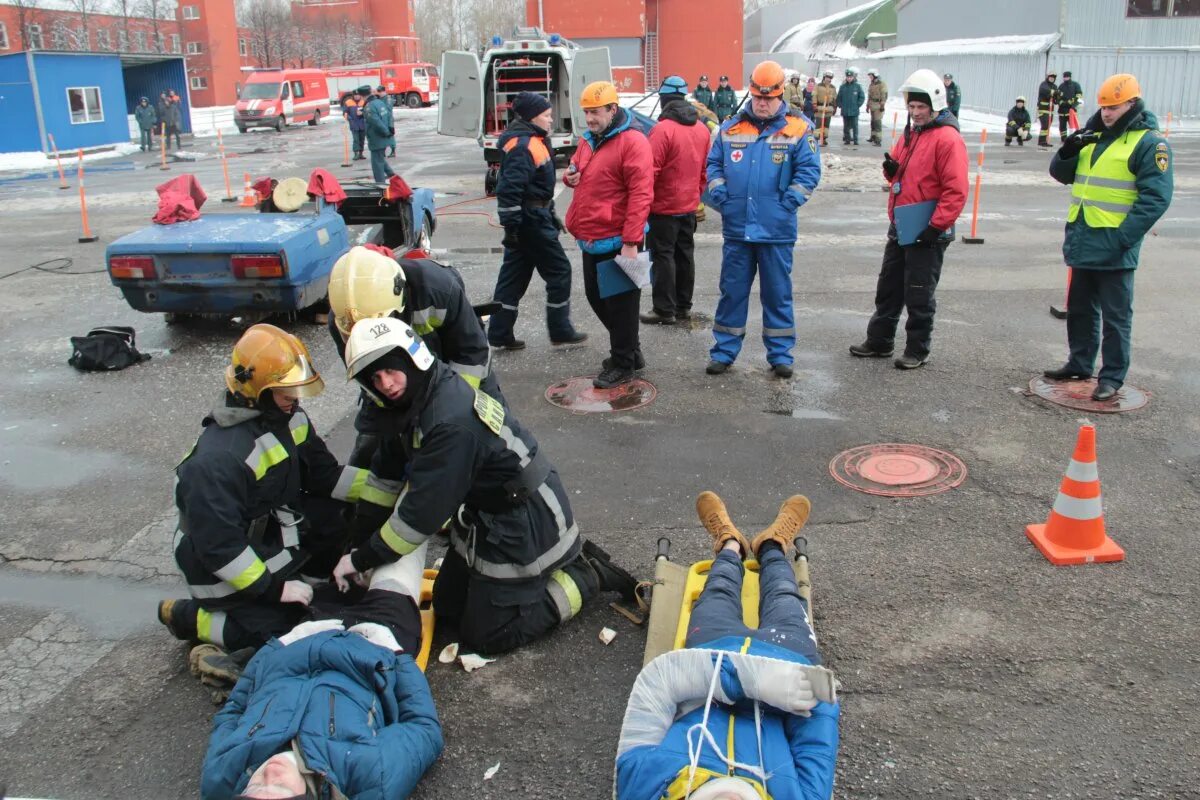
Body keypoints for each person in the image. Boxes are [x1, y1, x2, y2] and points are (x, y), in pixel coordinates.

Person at [333, 317, 639, 655]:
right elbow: (384, 480)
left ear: (411, 358)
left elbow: (419, 517)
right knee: (447, 609)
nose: (387, 384)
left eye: (391, 370)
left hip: (525, 518)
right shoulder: (408, 401)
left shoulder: (448, 420)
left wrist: (361, 560)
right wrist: (356, 545)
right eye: (375, 378)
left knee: (486, 637)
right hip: (487, 512)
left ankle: (588, 576)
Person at [156, 324, 396, 653]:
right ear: (259, 390)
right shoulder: (218, 460)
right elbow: (219, 547)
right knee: (281, 635)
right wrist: (274, 589)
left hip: (268, 536)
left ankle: (307, 586)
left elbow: (325, 476)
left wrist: (395, 493)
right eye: (287, 391)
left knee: (340, 515)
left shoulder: (285, 415)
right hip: (220, 567)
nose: (295, 399)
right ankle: (188, 617)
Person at [614, 491, 838, 800]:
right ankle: (772, 545)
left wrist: (748, 681)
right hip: (787, 657)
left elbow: (657, 683)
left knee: (718, 590)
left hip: (712, 652)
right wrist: (794, 687)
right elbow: (823, 696)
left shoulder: (642, 788)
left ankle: (729, 543)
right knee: (784, 593)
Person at [200, 553, 443, 799]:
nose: (269, 775)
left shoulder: (223, 776)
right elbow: (423, 730)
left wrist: (278, 646)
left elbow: (234, 709)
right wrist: (397, 654)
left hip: (306, 635)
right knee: (397, 557)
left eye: (254, 789)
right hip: (373, 642)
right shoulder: (368, 778)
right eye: (280, 788)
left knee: (343, 559)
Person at [1045, 73, 1173, 401]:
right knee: (1080, 309)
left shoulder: (1148, 142)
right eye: (1103, 107)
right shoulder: (1093, 135)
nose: (1107, 113)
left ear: (1132, 104)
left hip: (1115, 244)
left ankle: (1112, 376)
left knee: (1116, 316)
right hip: (1084, 237)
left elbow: (1155, 198)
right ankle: (1080, 362)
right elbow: (1061, 175)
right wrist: (1067, 150)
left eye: (1114, 107)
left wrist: (1122, 239)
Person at [327, 245, 501, 466]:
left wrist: (452, 409)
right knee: (371, 455)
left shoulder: (436, 289)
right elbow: (368, 380)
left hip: (452, 369)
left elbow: (471, 354)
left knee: (490, 442)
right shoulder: (343, 319)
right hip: (392, 382)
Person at [705, 60, 822, 379]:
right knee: (732, 292)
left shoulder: (798, 129)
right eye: (757, 96)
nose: (762, 103)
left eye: (768, 98)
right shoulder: (730, 129)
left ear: (780, 95)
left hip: (776, 231)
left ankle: (781, 354)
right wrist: (721, 197)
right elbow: (713, 165)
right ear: (751, 93)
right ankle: (724, 351)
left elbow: (810, 171)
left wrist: (789, 203)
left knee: (777, 294)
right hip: (738, 230)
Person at [849, 68, 968, 370]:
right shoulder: (911, 133)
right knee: (888, 287)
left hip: (928, 229)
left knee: (919, 293)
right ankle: (880, 340)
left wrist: (936, 227)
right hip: (903, 224)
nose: (915, 113)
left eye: (921, 107)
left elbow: (955, 190)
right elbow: (901, 170)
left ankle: (918, 349)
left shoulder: (947, 139)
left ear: (935, 105)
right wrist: (892, 170)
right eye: (912, 107)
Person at [563, 80, 654, 389]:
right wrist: (570, 175)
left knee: (621, 304)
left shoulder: (633, 142)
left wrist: (630, 242)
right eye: (586, 112)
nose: (590, 119)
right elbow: (577, 167)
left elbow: (641, 195)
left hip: (620, 239)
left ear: (613, 109)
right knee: (595, 296)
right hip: (591, 236)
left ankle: (623, 362)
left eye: (596, 112)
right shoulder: (589, 140)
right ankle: (629, 350)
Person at [487, 91, 587, 350]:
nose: (551, 120)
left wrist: (548, 214)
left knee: (513, 278)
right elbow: (509, 189)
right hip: (530, 221)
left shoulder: (530, 140)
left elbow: (530, 188)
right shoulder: (524, 145)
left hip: (530, 218)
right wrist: (512, 226)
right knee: (559, 271)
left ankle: (499, 333)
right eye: (546, 115)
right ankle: (560, 329)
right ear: (532, 117)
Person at [641, 76, 713, 326]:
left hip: (663, 207)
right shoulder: (702, 129)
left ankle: (663, 309)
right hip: (689, 206)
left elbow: (650, 171)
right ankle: (683, 307)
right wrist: (694, 196)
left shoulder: (662, 130)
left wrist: (643, 204)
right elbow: (705, 170)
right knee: (685, 256)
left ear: (663, 100)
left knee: (663, 256)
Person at [365, 86, 397, 183]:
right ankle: (392, 175)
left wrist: (387, 132)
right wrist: (390, 128)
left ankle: (380, 185)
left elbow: (376, 122)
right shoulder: (380, 102)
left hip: (377, 138)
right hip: (384, 135)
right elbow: (389, 115)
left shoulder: (370, 106)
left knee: (377, 164)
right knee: (380, 159)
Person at [837, 66, 865, 145]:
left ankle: (855, 140)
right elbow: (839, 97)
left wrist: (857, 105)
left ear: (853, 77)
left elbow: (862, 97)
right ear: (846, 77)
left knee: (855, 126)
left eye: (850, 77)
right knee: (846, 127)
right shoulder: (842, 87)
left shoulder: (857, 86)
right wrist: (840, 105)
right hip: (845, 110)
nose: (849, 78)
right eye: (848, 77)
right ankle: (847, 139)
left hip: (854, 111)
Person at [813, 70, 837, 146]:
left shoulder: (833, 87)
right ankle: (816, 139)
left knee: (826, 125)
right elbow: (814, 95)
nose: (828, 79)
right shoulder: (818, 85)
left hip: (829, 108)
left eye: (830, 78)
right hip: (820, 107)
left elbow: (834, 98)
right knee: (818, 125)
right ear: (824, 77)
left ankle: (824, 139)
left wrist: (835, 107)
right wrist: (814, 105)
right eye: (827, 77)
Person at [343, 87, 368, 160]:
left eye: (358, 95)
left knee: (362, 139)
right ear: (353, 96)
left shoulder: (364, 102)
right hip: (354, 124)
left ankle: (361, 153)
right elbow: (345, 112)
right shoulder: (348, 102)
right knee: (356, 139)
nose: (357, 96)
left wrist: (363, 113)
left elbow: (367, 111)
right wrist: (350, 119)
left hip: (362, 124)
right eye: (355, 95)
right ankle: (356, 153)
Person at [1037, 71, 1060, 148]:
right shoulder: (1043, 84)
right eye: (1050, 77)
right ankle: (1042, 141)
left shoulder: (1055, 86)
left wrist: (1058, 97)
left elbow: (1056, 98)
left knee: (1047, 126)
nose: (1052, 79)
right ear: (1048, 77)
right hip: (1043, 109)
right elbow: (1045, 91)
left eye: (1053, 78)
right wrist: (1054, 92)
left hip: (1050, 110)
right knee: (1045, 125)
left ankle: (1043, 141)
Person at [1058, 70, 1084, 137]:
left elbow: (1079, 96)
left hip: (1071, 110)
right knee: (1062, 126)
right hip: (1062, 110)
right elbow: (1058, 98)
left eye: (1067, 77)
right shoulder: (1061, 86)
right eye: (1065, 77)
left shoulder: (1075, 85)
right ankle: (1063, 139)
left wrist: (1074, 105)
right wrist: (1061, 103)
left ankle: (1073, 138)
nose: (1066, 78)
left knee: (1072, 125)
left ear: (1070, 77)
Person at [866, 68, 887, 146]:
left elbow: (884, 95)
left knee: (877, 123)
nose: (870, 77)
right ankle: (873, 137)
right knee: (873, 122)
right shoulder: (872, 84)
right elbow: (869, 96)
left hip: (878, 105)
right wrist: (867, 105)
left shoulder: (881, 84)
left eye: (871, 75)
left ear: (875, 75)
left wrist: (882, 105)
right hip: (872, 105)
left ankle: (878, 140)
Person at [377, 85, 398, 158]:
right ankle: (383, 151)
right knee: (383, 135)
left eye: (380, 92)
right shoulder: (380, 99)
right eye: (378, 92)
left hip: (388, 120)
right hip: (383, 120)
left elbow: (388, 110)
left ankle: (393, 151)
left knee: (390, 135)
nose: (379, 93)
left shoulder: (388, 98)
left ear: (384, 91)